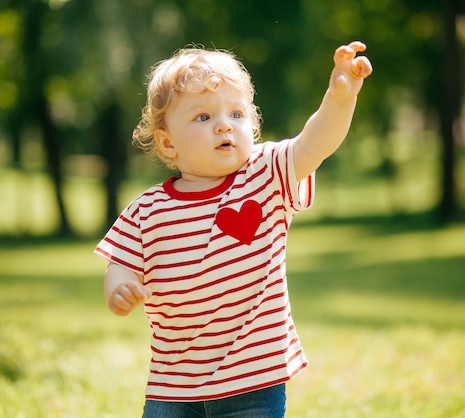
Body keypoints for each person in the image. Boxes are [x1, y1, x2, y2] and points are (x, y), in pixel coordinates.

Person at [94, 41, 372, 417]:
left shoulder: (264, 176)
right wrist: (119, 288)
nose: (224, 124)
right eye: (203, 117)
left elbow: (314, 144)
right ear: (167, 142)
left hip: (254, 379)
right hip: (173, 384)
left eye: (237, 114)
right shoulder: (147, 209)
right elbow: (121, 264)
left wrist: (339, 98)